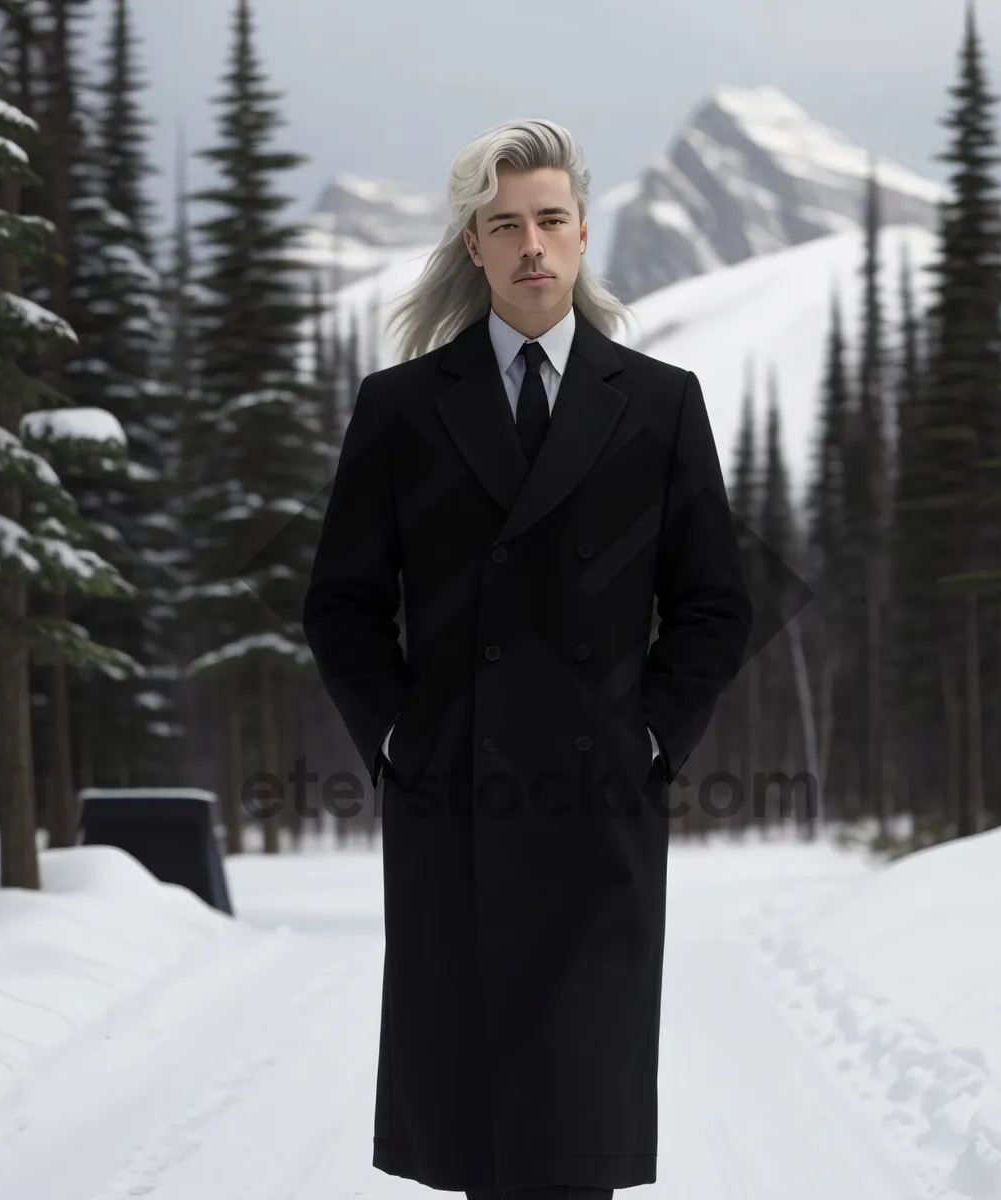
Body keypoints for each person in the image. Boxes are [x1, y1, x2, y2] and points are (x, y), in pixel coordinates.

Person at [302, 118, 753, 1200]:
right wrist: (402, 735)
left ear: (585, 231)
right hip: (450, 804)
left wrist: (648, 732)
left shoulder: (657, 402)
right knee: (478, 1129)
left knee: (574, 1127)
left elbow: (714, 604)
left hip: (598, 806)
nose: (532, 245)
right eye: (506, 225)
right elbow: (342, 604)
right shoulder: (403, 408)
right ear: (475, 246)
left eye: (550, 219)